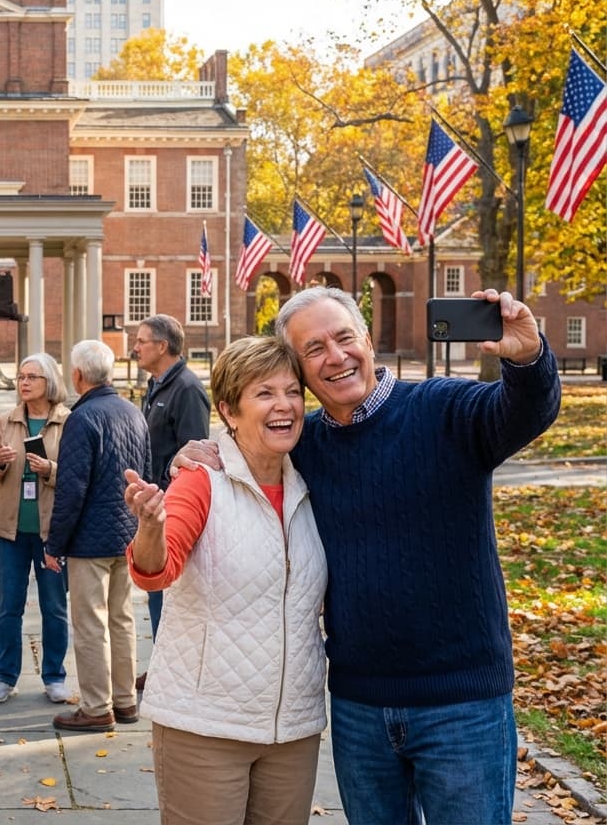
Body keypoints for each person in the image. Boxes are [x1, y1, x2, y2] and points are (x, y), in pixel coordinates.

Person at [177, 286, 561, 824]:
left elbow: (522, 413)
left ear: (368, 340)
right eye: (314, 350)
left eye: (343, 338)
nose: (334, 357)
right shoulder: (302, 446)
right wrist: (199, 451)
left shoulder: (443, 410)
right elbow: (244, 449)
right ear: (302, 371)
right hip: (359, 708)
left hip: (461, 706)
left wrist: (528, 357)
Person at [124, 335, 326, 824]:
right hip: (206, 726)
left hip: (292, 729)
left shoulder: (316, 476)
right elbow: (156, 572)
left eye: (293, 391)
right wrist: (150, 526)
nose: (284, 406)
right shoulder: (200, 479)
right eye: (264, 393)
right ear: (228, 411)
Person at [45, 339, 150, 732]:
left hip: (90, 541)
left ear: (77, 375)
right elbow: (147, 472)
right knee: (122, 619)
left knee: (90, 624)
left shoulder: (82, 418)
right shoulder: (133, 412)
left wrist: (55, 545)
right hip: (128, 534)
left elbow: (71, 489)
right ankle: (125, 701)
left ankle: (95, 707)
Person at [0, 352, 72, 705]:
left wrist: (49, 469)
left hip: (52, 533)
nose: (24, 382)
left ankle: (54, 676)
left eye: (32, 376)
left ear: (50, 382)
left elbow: (76, 478)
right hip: (9, 532)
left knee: (54, 606)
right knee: (9, 606)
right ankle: (5, 677)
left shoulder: (68, 422)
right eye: (20, 376)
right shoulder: (6, 421)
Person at [130, 313, 211, 688]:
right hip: (155, 507)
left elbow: (194, 457)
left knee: (169, 595)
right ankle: (164, 663)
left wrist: (170, 498)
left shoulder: (187, 389)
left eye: (141, 341)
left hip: (173, 510)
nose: (135, 347)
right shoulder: (158, 385)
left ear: (162, 347)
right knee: (156, 594)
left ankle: (173, 672)